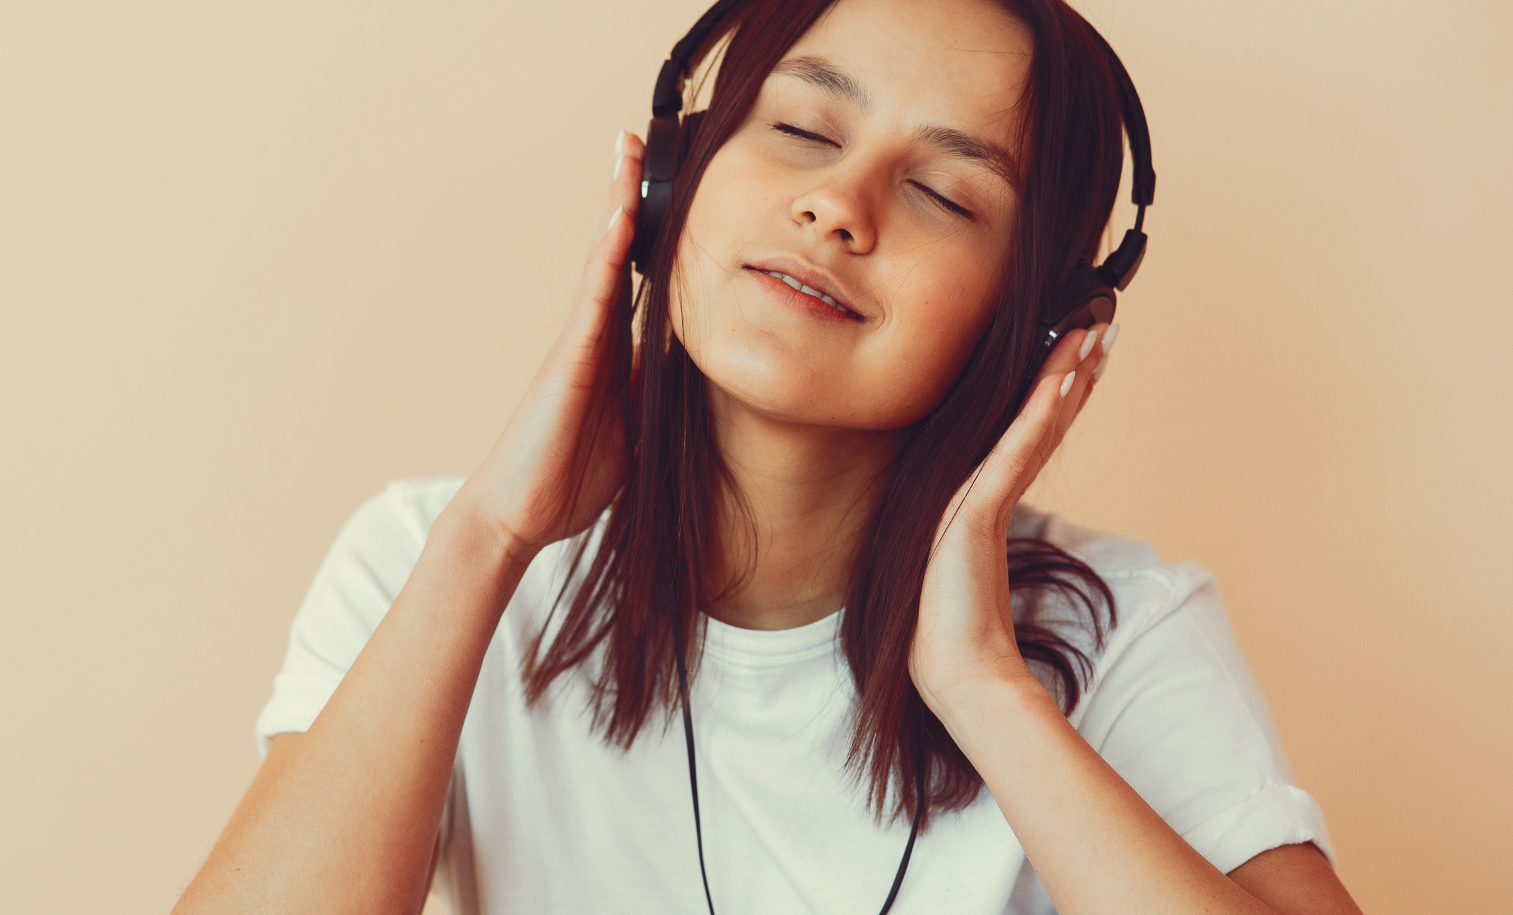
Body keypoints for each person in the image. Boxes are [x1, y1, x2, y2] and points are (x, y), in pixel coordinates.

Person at [177, 0, 1364, 912]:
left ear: (1042, 327)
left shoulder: (1124, 630)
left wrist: (981, 686)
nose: (837, 206)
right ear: (665, 183)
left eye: (944, 195)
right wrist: (487, 540)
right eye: (798, 129)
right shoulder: (424, 559)